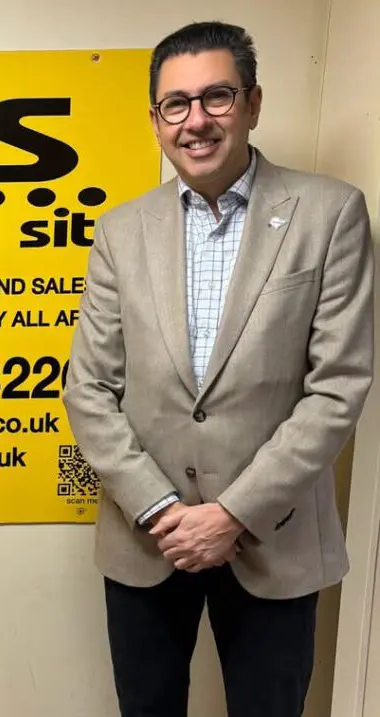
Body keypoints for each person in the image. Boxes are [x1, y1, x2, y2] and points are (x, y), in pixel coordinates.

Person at [62, 20, 374, 717]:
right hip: (147, 535)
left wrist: (232, 513)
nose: (195, 120)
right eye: (176, 103)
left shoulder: (330, 215)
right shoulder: (120, 230)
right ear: (155, 119)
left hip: (277, 536)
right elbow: (89, 387)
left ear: (253, 103)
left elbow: (337, 386)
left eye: (217, 97)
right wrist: (162, 507)